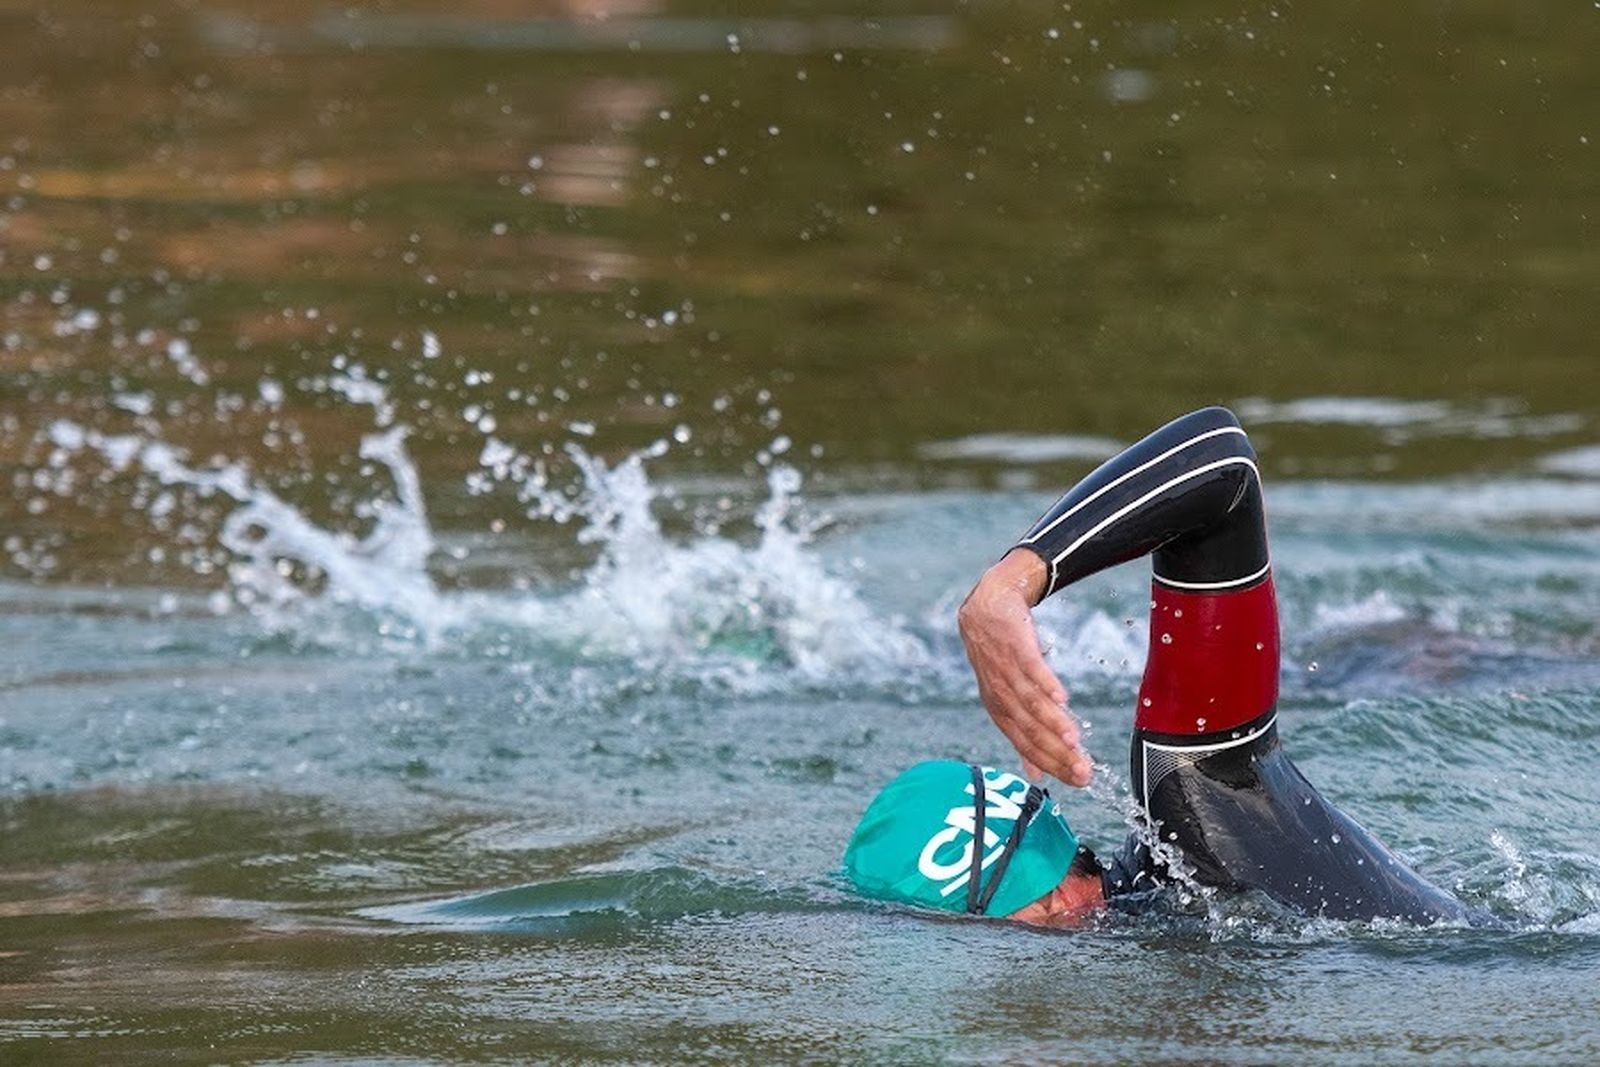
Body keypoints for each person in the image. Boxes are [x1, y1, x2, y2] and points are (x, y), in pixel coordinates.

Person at [845, 407, 1474, 926]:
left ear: (1050, 899)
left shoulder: (1199, 812)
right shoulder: (1167, 890)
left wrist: (1009, 585)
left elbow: (1222, 465)